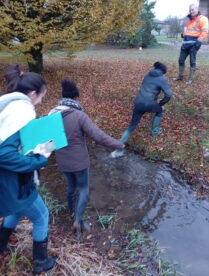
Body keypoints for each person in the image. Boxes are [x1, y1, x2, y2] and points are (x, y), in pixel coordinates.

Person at [49, 79, 124, 238]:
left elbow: (48, 139)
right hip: (80, 162)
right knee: (83, 188)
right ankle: (78, 220)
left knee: (71, 186)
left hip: (62, 161)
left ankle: (70, 211)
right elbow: (98, 136)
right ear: (75, 98)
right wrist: (118, 144)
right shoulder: (79, 115)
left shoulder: (52, 114)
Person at [0, 65, 56, 275]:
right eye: (41, 96)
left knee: (17, 210)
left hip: (11, 181)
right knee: (42, 215)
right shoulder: (22, 112)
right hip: (14, 183)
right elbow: (3, 154)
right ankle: (41, 262)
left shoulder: (8, 105)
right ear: (32, 94)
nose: (41, 102)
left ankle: (0, 245)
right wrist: (38, 160)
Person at [111, 61, 172, 158]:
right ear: (163, 71)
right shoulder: (162, 78)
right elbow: (168, 95)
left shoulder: (147, 75)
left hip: (138, 103)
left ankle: (117, 150)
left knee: (131, 127)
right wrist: (161, 104)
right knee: (159, 111)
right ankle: (155, 130)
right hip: (150, 104)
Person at [174, 3, 209, 84]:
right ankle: (180, 76)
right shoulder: (189, 21)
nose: (191, 11)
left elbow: (205, 32)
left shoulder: (203, 19)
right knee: (181, 60)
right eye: (190, 10)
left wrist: (198, 43)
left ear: (197, 9)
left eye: (193, 9)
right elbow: (186, 31)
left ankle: (190, 79)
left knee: (192, 62)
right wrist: (183, 34)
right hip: (185, 44)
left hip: (194, 44)